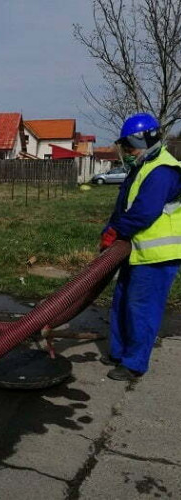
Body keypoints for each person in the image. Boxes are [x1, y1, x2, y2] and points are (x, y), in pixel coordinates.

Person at [99, 112, 181, 381]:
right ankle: (120, 353)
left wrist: (118, 231)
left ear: (145, 139)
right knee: (122, 302)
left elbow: (144, 212)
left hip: (158, 255)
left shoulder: (162, 170)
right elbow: (124, 206)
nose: (127, 151)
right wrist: (109, 230)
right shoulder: (142, 167)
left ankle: (134, 364)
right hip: (137, 251)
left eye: (129, 145)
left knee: (141, 309)